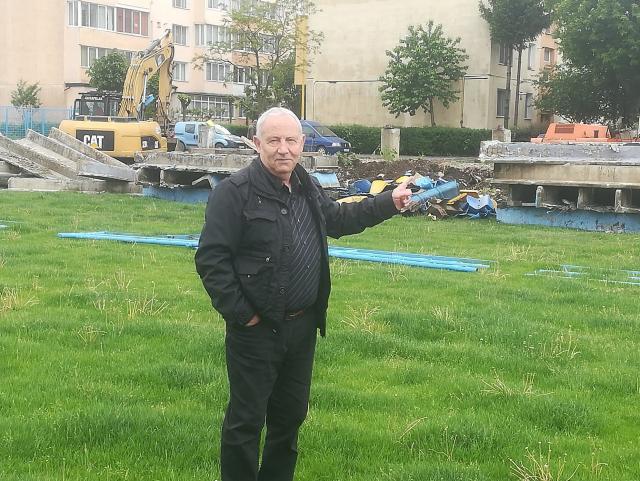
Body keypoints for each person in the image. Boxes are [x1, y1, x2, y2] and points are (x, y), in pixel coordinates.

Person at [195, 107, 412, 481]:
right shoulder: (234, 193)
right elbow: (212, 260)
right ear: (257, 143)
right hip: (256, 331)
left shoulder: (305, 184)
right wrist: (244, 315)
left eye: (290, 140)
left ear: (302, 143)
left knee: (290, 418)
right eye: (274, 140)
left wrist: (387, 202)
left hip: (301, 327)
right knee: (246, 422)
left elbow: (337, 219)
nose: (283, 149)